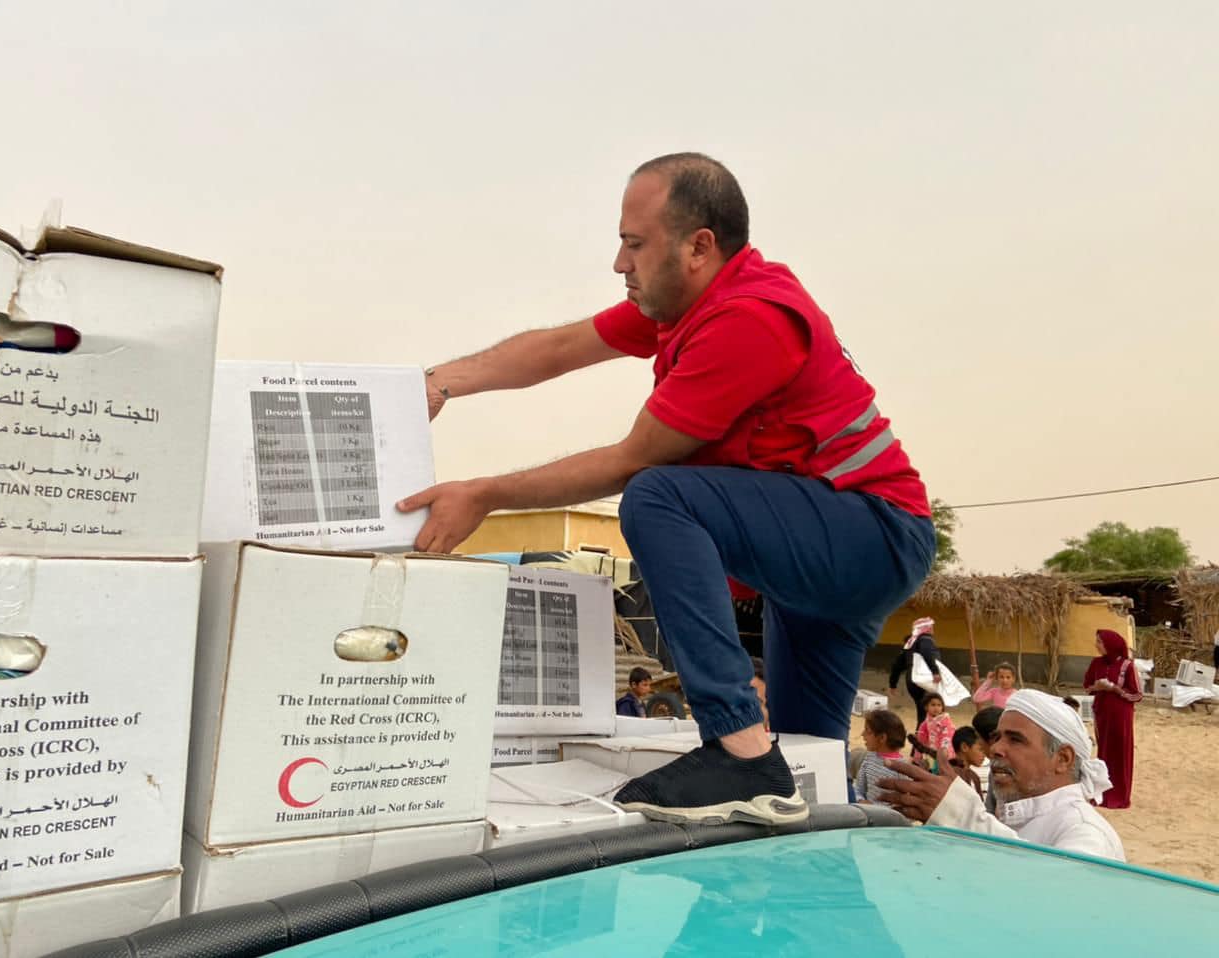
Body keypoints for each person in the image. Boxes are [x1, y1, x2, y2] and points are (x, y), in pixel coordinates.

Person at [399, 152, 935, 825]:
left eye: (634, 243)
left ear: (698, 247)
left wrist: (482, 494)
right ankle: (807, 849)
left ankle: (737, 748)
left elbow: (631, 461)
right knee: (811, 762)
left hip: (870, 533)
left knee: (658, 494)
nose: (619, 263)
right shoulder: (683, 302)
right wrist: (438, 382)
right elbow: (559, 347)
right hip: (819, 554)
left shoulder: (749, 320)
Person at [876, 689, 1125, 861]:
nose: (995, 748)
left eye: (1015, 740)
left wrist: (961, 815)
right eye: (997, 737)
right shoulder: (1015, 816)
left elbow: (1051, 892)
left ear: (1062, 759)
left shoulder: (1085, 831)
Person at [1083, 628, 1141, 809]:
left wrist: (1115, 689)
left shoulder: (1127, 666)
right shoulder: (1096, 663)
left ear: (1111, 644)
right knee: (1104, 751)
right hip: (1102, 713)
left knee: (1120, 752)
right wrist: (1097, 687)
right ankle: (1102, 794)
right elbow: (1087, 687)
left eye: (1100, 642)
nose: (1097, 645)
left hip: (1121, 716)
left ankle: (1119, 795)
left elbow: (1137, 694)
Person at [888, 617, 942, 722]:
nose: (932, 629)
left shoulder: (910, 643)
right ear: (926, 628)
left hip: (911, 679)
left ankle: (920, 731)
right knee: (932, 711)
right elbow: (927, 653)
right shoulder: (925, 639)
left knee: (922, 711)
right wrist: (935, 671)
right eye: (931, 627)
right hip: (924, 679)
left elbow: (897, 665)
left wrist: (892, 684)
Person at [853, 709, 908, 806]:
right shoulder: (869, 758)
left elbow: (904, 803)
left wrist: (877, 810)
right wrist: (861, 800)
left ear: (882, 738)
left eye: (868, 731)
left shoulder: (903, 769)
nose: (862, 734)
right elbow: (858, 789)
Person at [913, 692, 955, 765]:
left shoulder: (946, 721)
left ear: (942, 707)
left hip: (945, 754)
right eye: (933, 705)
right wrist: (918, 757)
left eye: (939, 705)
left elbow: (947, 737)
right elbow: (921, 740)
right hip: (931, 754)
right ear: (926, 707)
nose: (936, 708)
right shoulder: (925, 724)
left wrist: (944, 751)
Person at [949, 725, 985, 800]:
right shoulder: (951, 775)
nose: (984, 755)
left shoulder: (974, 777)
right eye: (981, 749)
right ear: (964, 747)